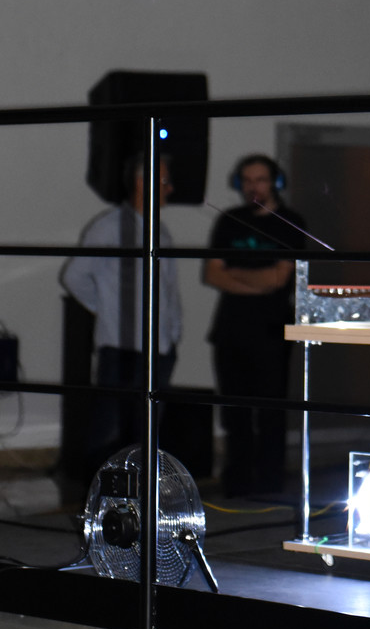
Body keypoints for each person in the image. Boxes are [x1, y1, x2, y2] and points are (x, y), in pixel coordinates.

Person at [61, 154, 181, 480]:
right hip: (122, 349)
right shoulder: (109, 227)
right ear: (143, 183)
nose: (170, 188)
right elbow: (74, 276)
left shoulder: (161, 230)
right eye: (164, 181)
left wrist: (173, 333)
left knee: (146, 434)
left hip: (160, 349)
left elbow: (168, 290)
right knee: (110, 432)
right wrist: (108, 310)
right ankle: (100, 497)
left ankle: (139, 497)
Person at [205, 154, 305, 498]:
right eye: (247, 180)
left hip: (271, 332)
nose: (253, 187)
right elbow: (212, 274)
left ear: (275, 183)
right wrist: (257, 280)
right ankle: (237, 483)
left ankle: (270, 483)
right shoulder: (229, 220)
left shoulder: (291, 222)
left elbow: (279, 279)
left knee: (271, 413)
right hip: (229, 331)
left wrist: (235, 273)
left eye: (260, 180)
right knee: (235, 414)